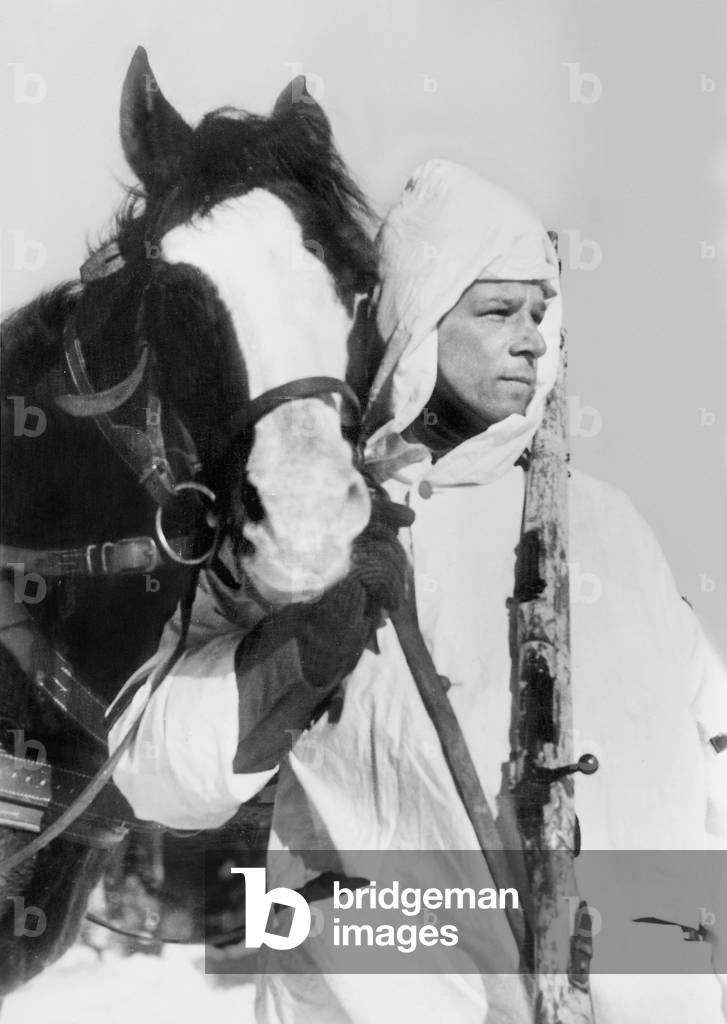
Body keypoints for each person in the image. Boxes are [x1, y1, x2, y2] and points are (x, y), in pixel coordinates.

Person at [110, 160, 727, 1023]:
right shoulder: (312, 519)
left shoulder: (606, 524)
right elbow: (154, 769)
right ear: (420, 319)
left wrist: (682, 943)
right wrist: (300, 650)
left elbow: (712, 742)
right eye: (497, 312)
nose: (531, 341)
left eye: (540, 314)